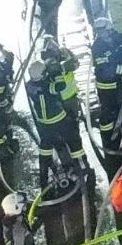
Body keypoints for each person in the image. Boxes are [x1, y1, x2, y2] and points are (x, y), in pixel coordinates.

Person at [26, 61, 75, 192]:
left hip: (43, 122)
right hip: (57, 119)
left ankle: (43, 183)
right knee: (61, 143)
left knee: (45, 150)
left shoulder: (30, 85)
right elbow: (61, 85)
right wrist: (57, 73)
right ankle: (70, 169)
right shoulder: (48, 85)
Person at [92, 16, 122, 143]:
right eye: (99, 31)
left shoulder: (115, 37)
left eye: (104, 31)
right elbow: (106, 69)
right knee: (108, 112)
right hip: (106, 86)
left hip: (119, 82)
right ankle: (108, 139)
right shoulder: (97, 48)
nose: (102, 34)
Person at [41, 37, 85, 169]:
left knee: (71, 128)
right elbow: (71, 64)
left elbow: (76, 64)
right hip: (62, 102)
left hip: (68, 100)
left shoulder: (58, 61)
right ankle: (73, 160)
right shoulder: (52, 65)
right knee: (67, 131)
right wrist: (67, 55)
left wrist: (67, 53)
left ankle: (75, 158)